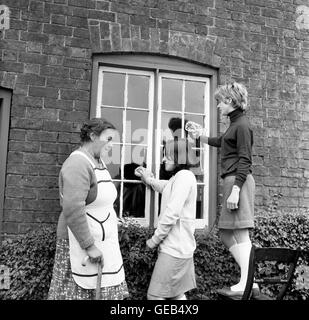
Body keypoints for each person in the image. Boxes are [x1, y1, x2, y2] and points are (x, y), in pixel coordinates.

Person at [187, 82, 259, 297]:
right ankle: (251, 280)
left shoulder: (243, 125)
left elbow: (245, 159)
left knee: (241, 232)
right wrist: (200, 136)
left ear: (229, 101)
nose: (218, 105)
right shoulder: (235, 124)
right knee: (227, 234)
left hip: (239, 181)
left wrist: (236, 189)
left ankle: (248, 282)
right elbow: (223, 142)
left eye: (220, 101)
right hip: (232, 181)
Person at [48, 118, 129, 300]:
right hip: (81, 245)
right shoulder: (78, 164)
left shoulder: (98, 162)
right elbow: (73, 208)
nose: (111, 145)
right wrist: (89, 246)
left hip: (104, 243)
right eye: (108, 139)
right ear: (92, 136)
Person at [135, 138, 198, 300]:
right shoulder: (178, 178)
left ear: (179, 157)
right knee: (176, 294)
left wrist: (155, 240)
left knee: (155, 296)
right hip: (178, 248)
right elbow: (164, 186)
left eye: (167, 155)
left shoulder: (184, 177)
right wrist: (147, 178)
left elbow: (172, 213)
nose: (163, 159)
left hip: (175, 249)